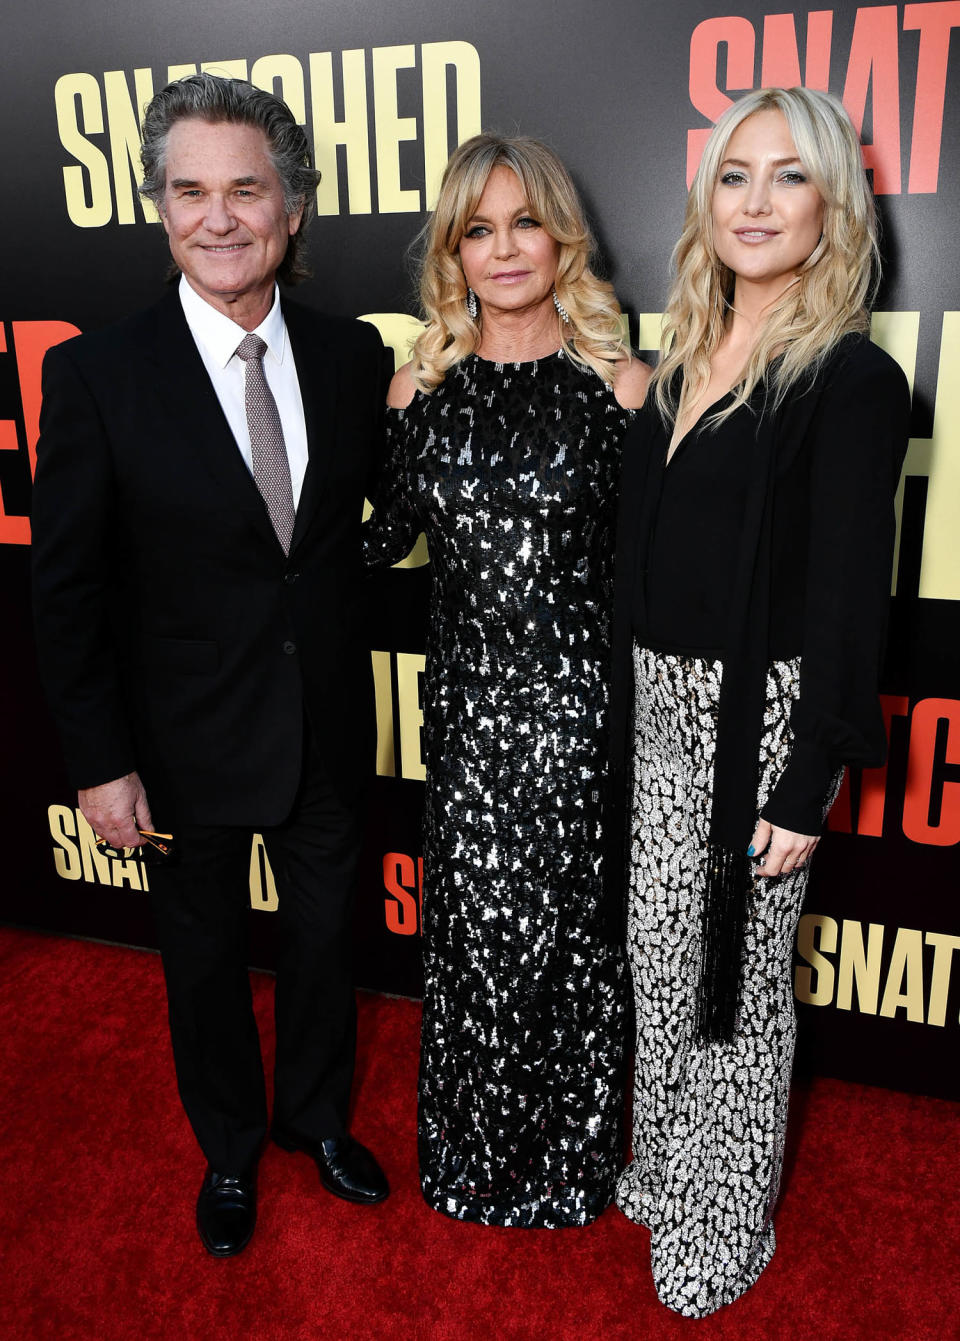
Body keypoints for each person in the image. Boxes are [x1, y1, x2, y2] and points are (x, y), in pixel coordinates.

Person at [31, 72, 388, 1258]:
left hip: (332, 722)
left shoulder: (351, 358)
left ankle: (316, 1120)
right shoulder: (96, 373)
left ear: (293, 209)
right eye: (191, 191)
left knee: (331, 940)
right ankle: (229, 1149)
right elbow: (67, 590)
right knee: (202, 958)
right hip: (179, 742)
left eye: (247, 189)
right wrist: (99, 763)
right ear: (161, 207)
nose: (220, 217)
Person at [607, 87, 910, 1314]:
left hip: (760, 717)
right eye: (736, 176)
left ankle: (726, 1213)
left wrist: (811, 770)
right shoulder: (678, 353)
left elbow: (848, 595)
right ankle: (671, 1158)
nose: (757, 202)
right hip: (655, 702)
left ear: (831, 203)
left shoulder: (849, 380)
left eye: (789, 177)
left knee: (733, 974)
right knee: (660, 953)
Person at [364, 133, 650, 1227]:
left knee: (571, 944)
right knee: (477, 943)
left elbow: (657, 569)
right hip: (471, 722)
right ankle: (474, 1158)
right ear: (453, 254)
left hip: (581, 717)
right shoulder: (414, 394)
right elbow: (378, 543)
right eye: (477, 230)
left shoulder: (620, 389)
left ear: (560, 235)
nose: (504, 248)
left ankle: (569, 1165)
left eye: (524, 221)